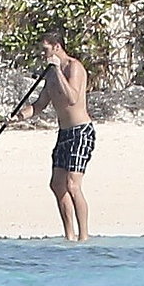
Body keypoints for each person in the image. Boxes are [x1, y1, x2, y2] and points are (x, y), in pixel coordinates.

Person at [13, 32, 95, 241]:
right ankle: (69, 236)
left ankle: (83, 237)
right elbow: (39, 105)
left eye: (46, 49)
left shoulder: (73, 67)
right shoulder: (49, 74)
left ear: (57, 47)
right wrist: (18, 117)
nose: (43, 54)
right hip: (64, 132)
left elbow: (72, 98)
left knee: (72, 184)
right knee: (57, 184)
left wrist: (57, 70)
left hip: (81, 131)